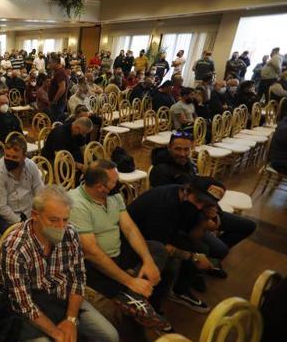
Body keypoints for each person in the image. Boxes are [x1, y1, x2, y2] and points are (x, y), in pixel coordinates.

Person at [0, 185, 119, 342]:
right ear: (35, 216)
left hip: (64, 298)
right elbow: (24, 305)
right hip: (34, 309)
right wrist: (57, 333)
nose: (61, 226)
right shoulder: (15, 248)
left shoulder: (70, 233)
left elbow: (78, 277)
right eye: (54, 220)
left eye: (65, 219)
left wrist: (70, 320)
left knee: (110, 338)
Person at [69, 160, 171, 330]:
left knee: (157, 249)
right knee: (97, 274)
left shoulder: (113, 196)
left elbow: (130, 229)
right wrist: (130, 280)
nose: (119, 184)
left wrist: (148, 261)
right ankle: (132, 294)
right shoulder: (76, 203)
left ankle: (131, 295)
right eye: (114, 182)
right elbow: (93, 253)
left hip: (118, 252)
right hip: (93, 262)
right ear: (101, 187)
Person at [150, 132, 256, 263]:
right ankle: (205, 260)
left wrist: (214, 212)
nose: (182, 153)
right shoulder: (160, 171)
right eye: (178, 149)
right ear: (169, 147)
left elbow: (203, 191)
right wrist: (204, 220)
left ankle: (206, 258)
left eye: (186, 149)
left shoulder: (189, 165)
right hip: (187, 220)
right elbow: (173, 208)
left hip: (203, 209)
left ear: (191, 148)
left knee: (249, 226)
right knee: (221, 250)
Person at [127, 177, 227, 313]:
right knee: (170, 266)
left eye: (205, 204)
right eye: (198, 201)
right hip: (136, 238)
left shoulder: (195, 202)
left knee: (202, 248)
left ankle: (179, 291)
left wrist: (205, 218)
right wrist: (194, 257)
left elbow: (196, 235)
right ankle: (150, 307)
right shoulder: (164, 204)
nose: (199, 207)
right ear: (187, 190)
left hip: (163, 234)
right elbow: (161, 245)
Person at [0, 135, 44, 230]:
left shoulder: (31, 166)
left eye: (15, 157)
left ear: (24, 157)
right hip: (3, 217)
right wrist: (22, 225)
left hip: (28, 211)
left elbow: (39, 190)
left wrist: (39, 212)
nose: (10, 160)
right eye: (7, 156)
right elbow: (1, 208)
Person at [48, 53, 69, 121]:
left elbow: (62, 88)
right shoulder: (59, 71)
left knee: (55, 122)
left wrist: (55, 100)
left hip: (58, 102)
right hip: (58, 102)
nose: (49, 65)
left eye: (50, 62)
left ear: (55, 62)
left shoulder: (60, 72)